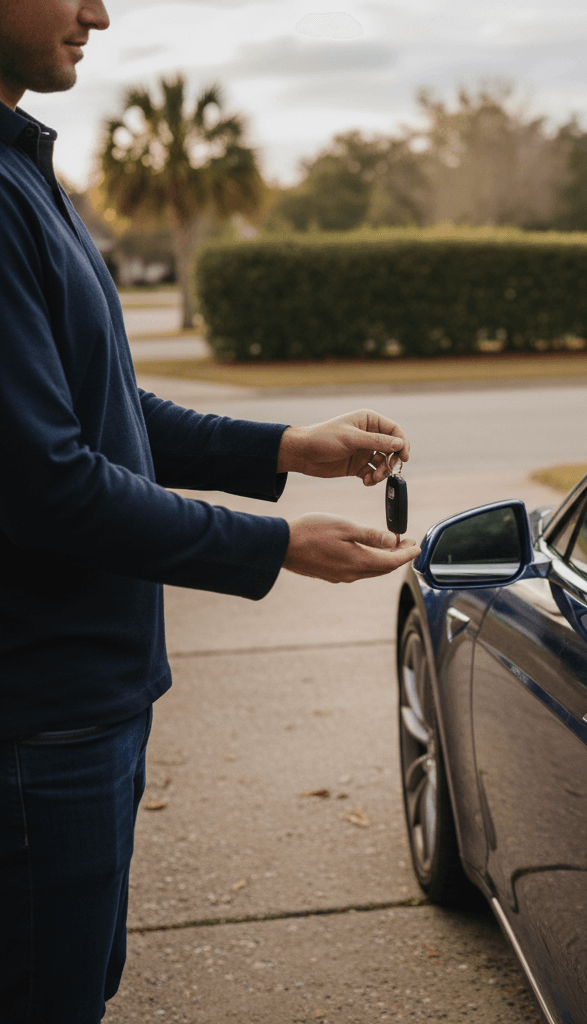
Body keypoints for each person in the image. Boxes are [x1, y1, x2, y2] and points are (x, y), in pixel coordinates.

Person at [0, 0, 420, 1019]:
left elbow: (106, 409)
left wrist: (285, 451)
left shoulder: (23, 169)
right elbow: (46, 483)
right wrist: (277, 546)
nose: (100, 11)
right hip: (37, 727)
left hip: (85, 704)